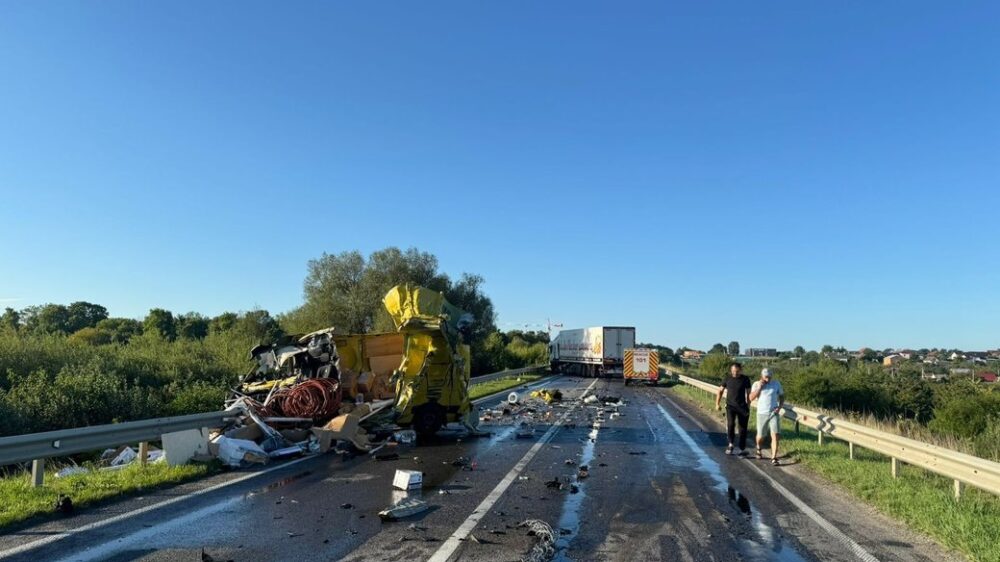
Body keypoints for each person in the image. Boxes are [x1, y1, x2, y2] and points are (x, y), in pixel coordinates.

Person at [750, 368, 785, 465]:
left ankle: (774, 457)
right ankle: (758, 447)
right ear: (762, 376)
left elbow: (782, 396)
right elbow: (751, 398)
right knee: (761, 435)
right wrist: (759, 388)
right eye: (766, 377)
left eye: (769, 377)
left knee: (775, 435)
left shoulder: (776, 384)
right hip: (762, 413)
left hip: (773, 412)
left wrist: (779, 407)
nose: (767, 379)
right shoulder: (756, 384)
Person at [715, 362, 751, 455]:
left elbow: (748, 393)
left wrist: (748, 405)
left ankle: (742, 448)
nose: (735, 373)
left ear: (740, 370)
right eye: (733, 371)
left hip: (742, 406)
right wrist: (717, 404)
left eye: (737, 371)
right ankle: (731, 444)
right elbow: (720, 391)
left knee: (742, 428)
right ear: (731, 371)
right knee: (731, 425)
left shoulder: (745, 379)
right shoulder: (727, 378)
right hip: (730, 406)